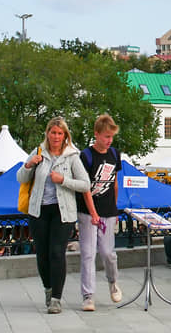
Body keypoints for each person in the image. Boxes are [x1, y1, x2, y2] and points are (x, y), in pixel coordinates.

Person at [17, 116, 96, 314]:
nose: (56, 136)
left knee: (56, 252)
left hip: (63, 212)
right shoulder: (38, 153)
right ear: (48, 133)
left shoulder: (72, 156)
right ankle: (48, 288)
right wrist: (29, 165)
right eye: (53, 132)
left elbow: (85, 184)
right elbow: (20, 178)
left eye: (60, 133)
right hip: (39, 211)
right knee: (43, 255)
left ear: (65, 136)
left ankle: (56, 299)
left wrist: (63, 180)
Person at [75, 114, 125, 311]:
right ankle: (88, 296)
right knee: (88, 253)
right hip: (88, 211)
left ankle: (113, 282)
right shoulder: (85, 156)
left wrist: (114, 207)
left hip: (108, 210)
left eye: (111, 137)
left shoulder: (114, 154)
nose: (109, 140)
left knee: (107, 252)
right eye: (106, 136)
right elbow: (85, 188)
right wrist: (93, 213)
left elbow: (114, 183)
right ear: (96, 134)